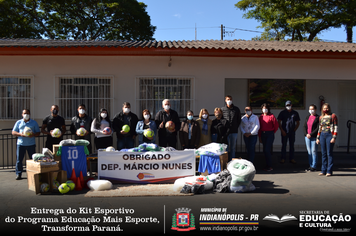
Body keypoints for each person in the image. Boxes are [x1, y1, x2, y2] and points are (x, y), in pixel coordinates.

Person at [12, 109, 40, 180]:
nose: (26, 115)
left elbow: (38, 132)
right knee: (19, 160)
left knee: (33, 160)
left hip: (31, 144)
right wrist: (20, 134)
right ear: (22, 114)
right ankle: (18, 174)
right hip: (21, 144)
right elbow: (13, 132)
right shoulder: (18, 122)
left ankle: (34, 173)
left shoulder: (34, 123)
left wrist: (33, 134)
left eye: (27, 113)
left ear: (29, 114)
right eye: (24, 113)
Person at [316, 103, 338, 177]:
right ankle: (323, 170)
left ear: (329, 108)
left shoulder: (333, 116)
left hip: (329, 135)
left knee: (329, 153)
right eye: (324, 108)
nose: (326, 109)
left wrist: (334, 137)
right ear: (322, 109)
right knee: (323, 153)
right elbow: (320, 128)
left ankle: (329, 171)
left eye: (327, 108)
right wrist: (317, 138)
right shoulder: (321, 117)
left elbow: (335, 127)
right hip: (322, 135)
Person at [258, 103, 279, 171]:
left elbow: (276, 125)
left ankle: (269, 166)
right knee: (265, 150)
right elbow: (259, 127)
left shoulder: (271, 116)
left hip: (270, 134)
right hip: (263, 134)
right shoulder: (261, 117)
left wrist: (272, 132)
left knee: (267, 150)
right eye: (263, 108)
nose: (265, 109)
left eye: (266, 108)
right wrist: (260, 136)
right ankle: (267, 165)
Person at [221, 95, 241, 161]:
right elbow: (221, 119)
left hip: (234, 131)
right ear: (225, 100)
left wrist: (235, 126)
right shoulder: (223, 109)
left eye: (230, 99)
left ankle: (232, 162)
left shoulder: (236, 109)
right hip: (225, 132)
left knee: (232, 148)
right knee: (225, 148)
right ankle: (225, 162)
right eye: (228, 99)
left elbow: (239, 120)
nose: (229, 100)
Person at [303, 104, 320, 172]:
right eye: (310, 109)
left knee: (314, 151)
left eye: (312, 109)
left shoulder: (318, 117)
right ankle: (310, 165)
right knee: (309, 152)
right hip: (307, 137)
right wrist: (306, 134)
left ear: (315, 109)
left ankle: (314, 166)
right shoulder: (308, 117)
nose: (311, 110)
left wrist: (311, 134)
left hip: (314, 137)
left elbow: (318, 128)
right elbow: (304, 126)